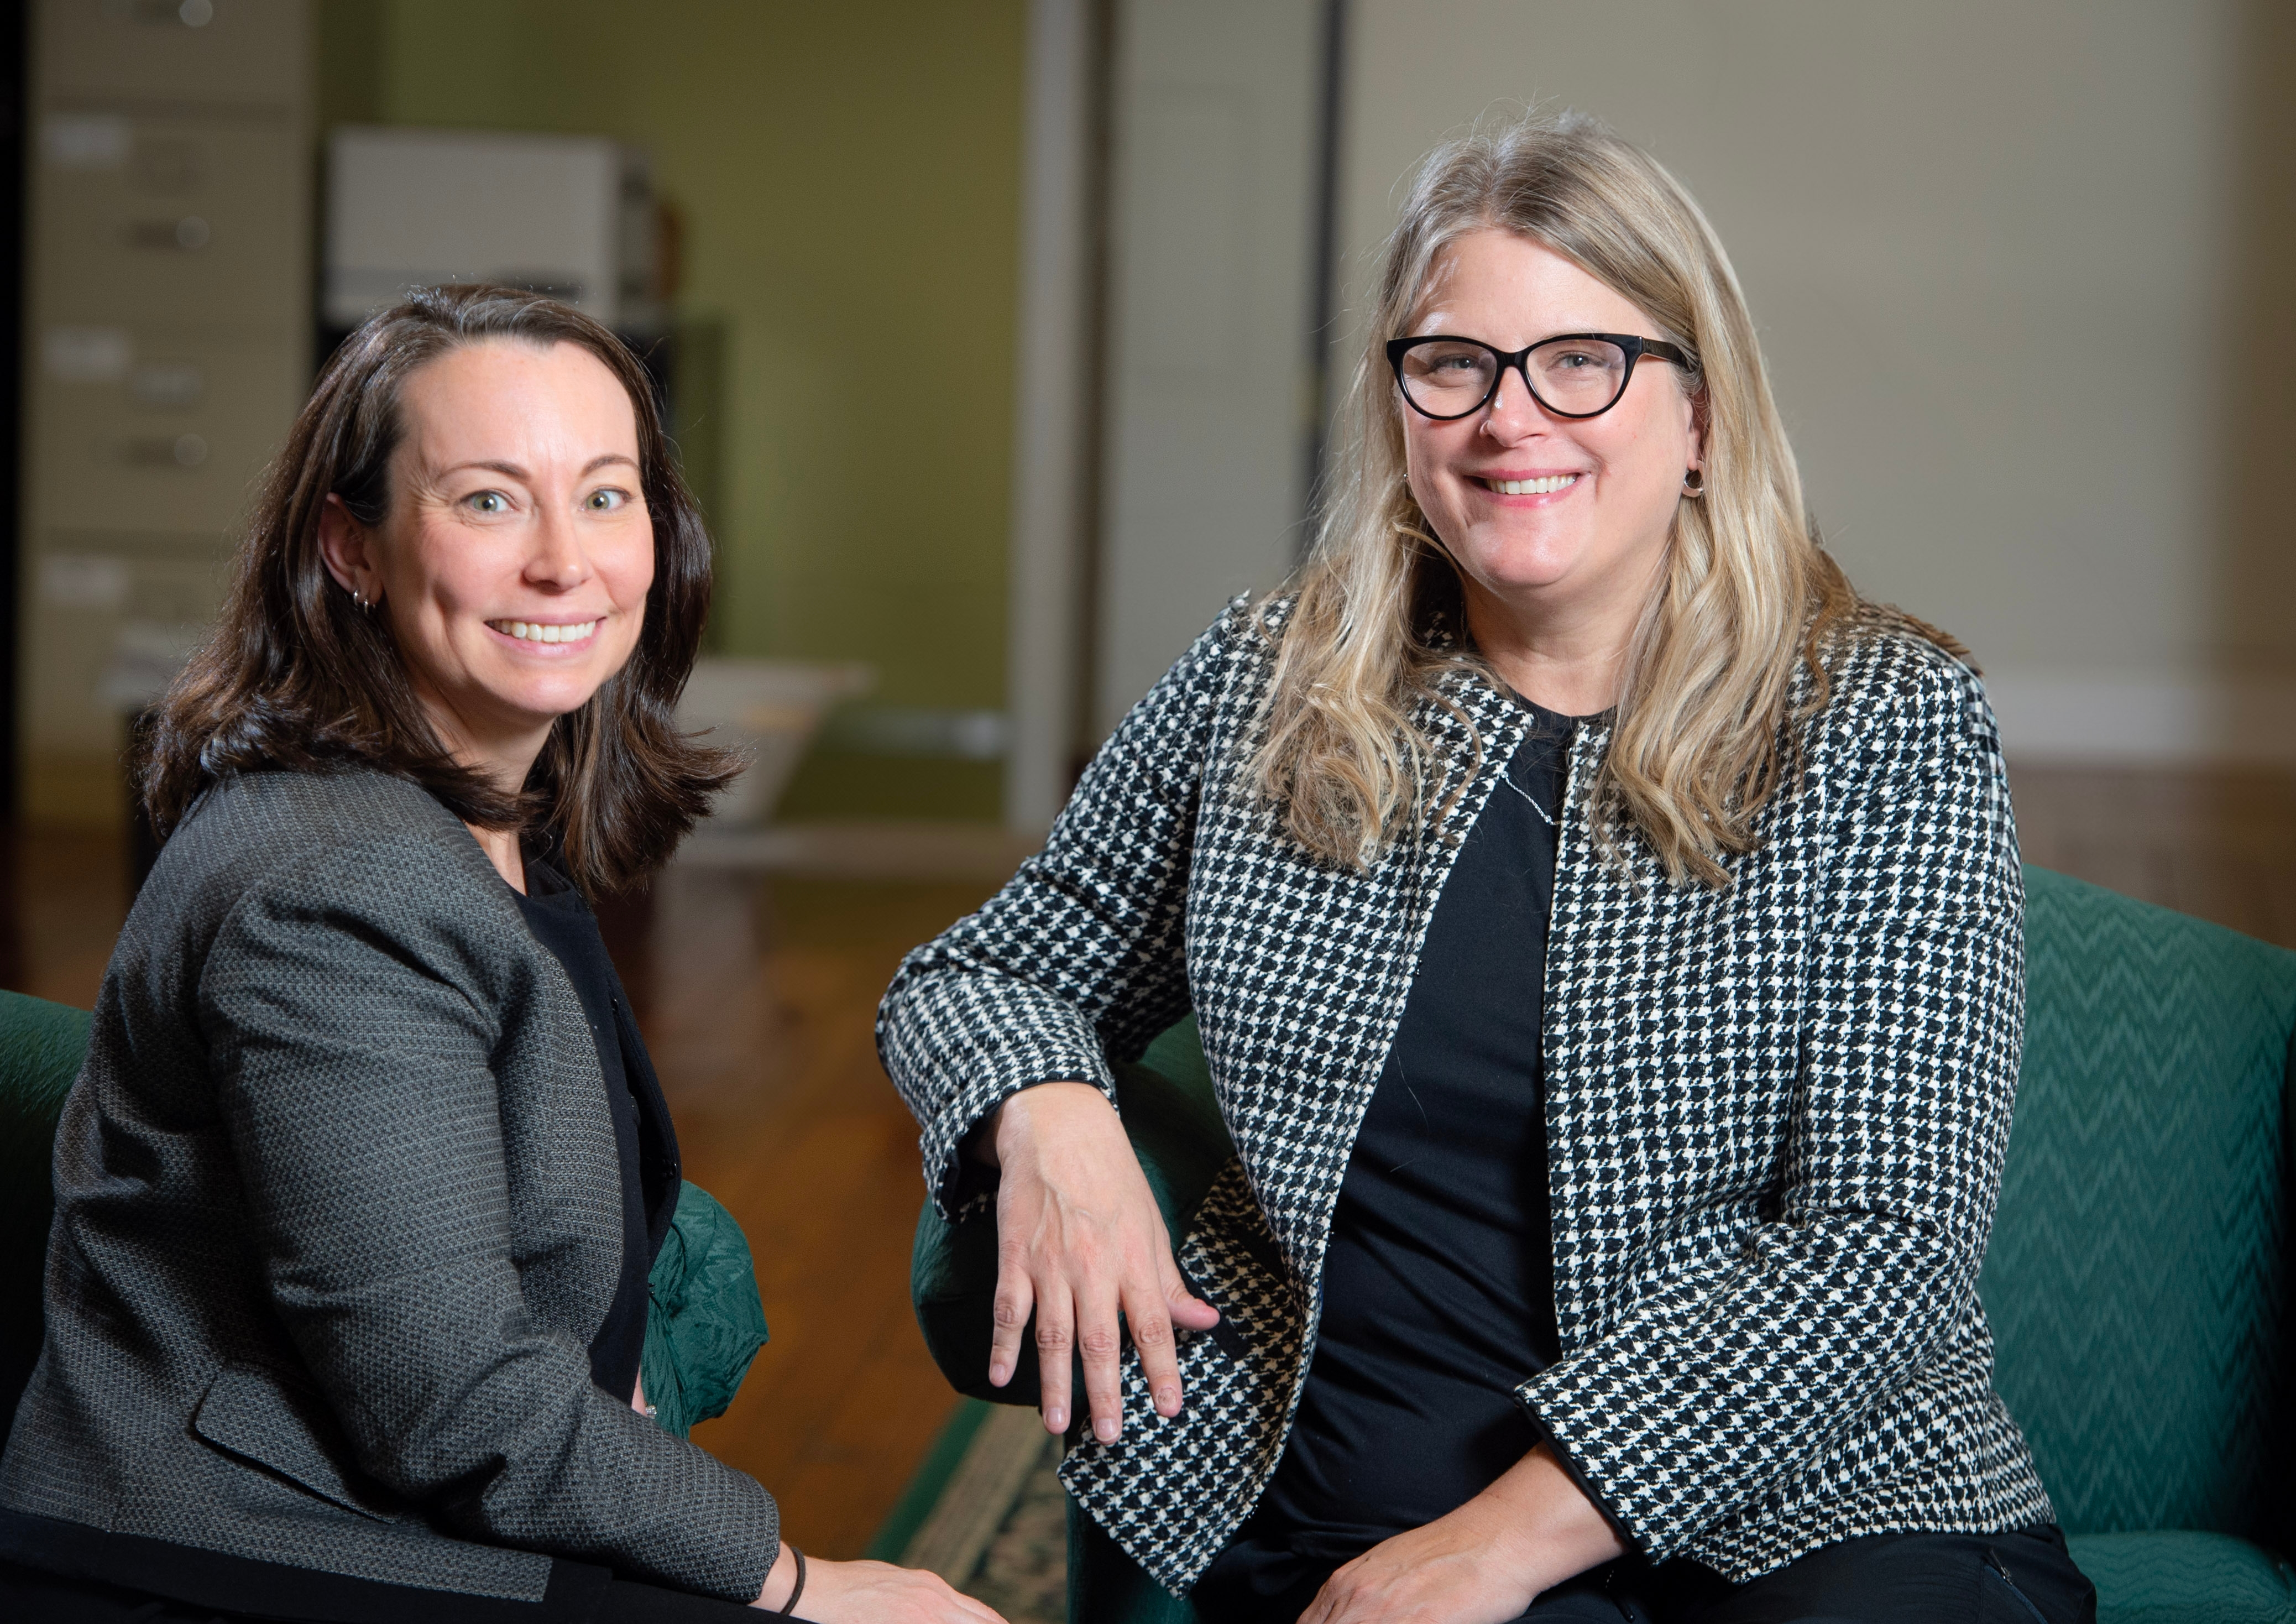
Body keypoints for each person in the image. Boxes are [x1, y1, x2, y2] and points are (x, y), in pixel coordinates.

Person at [878, 114, 2096, 1624]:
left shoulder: (1884, 720)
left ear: (1701, 416)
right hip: (1360, 1490)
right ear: (1400, 408)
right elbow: (979, 970)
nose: (1511, 419)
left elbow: (1885, 1243)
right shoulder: (1268, 681)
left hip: (1819, 1503)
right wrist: (1048, 1112)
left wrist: (1511, 1539)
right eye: (1452, 364)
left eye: (1582, 359)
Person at [0, 286, 1000, 1624]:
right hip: (257, 1558)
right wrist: (805, 1581)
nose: (563, 561)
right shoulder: (337, 886)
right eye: (486, 499)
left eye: (605, 495)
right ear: (349, 546)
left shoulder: (487, 809)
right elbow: (451, 1401)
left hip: (408, 1513)